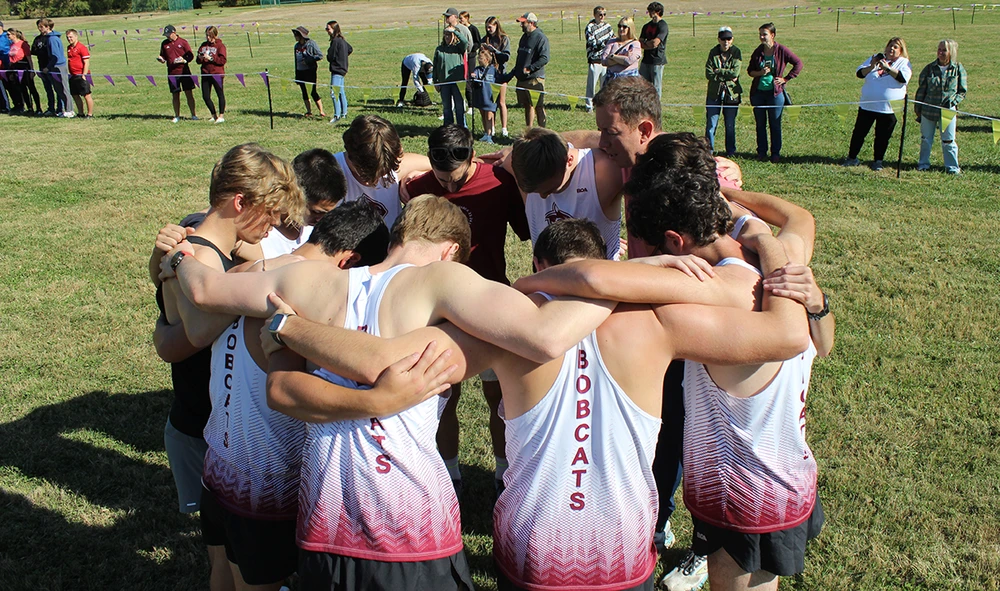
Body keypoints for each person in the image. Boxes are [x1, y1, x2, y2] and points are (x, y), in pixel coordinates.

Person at [259, 220, 810, 591]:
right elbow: (788, 335)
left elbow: (383, 360)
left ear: (541, 261)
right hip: (621, 546)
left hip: (532, 544)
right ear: (609, 258)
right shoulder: (660, 320)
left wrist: (290, 327)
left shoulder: (501, 329)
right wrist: (771, 249)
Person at [159, 194, 623, 591]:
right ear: (451, 251)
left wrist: (178, 254)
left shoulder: (307, 281)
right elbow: (544, 337)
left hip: (325, 525)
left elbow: (204, 291)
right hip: (411, 530)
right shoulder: (444, 281)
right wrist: (619, 280)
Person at [153, 143, 305, 591]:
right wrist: (286, 268)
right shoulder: (198, 261)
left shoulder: (203, 250)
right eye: (271, 212)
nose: (276, 223)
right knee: (239, 568)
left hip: (211, 429)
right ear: (240, 202)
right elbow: (195, 331)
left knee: (222, 562)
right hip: (211, 430)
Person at [404, 125, 531, 499]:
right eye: (442, 178)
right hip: (439, 310)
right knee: (443, 398)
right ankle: (449, 475)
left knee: (501, 399)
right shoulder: (416, 189)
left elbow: (528, 229)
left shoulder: (498, 182)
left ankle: (504, 474)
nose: (449, 186)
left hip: (490, 303)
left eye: (456, 178)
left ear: (472, 159)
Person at [509, 127, 624, 260]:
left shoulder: (605, 171)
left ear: (568, 161)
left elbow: (630, 146)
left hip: (597, 277)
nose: (543, 197)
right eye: (535, 192)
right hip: (545, 276)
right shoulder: (518, 162)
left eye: (549, 189)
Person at [334, 114, 431, 230]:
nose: (375, 182)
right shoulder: (330, 171)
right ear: (352, 158)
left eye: (383, 173)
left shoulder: (396, 166)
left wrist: (415, 175)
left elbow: (443, 167)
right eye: (367, 175)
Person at [843, 37, 911, 171]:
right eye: (890, 46)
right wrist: (872, 66)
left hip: (888, 109)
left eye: (895, 47)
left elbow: (903, 78)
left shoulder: (904, 63)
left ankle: (878, 161)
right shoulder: (874, 58)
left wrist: (887, 68)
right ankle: (852, 158)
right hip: (868, 105)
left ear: (901, 51)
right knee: (859, 133)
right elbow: (859, 74)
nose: (891, 49)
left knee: (882, 136)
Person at [747, 23, 802, 163]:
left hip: (775, 95)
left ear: (772, 35)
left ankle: (775, 153)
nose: (761, 37)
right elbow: (750, 71)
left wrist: (786, 79)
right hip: (758, 94)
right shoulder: (758, 52)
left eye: (764, 34)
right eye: (760, 34)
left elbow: (798, 63)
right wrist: (760, 72)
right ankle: (761, 152)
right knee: (760, 124)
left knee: (775, 124)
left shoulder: (781, 50)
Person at [914, 39, 966, 174]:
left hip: (948, 111)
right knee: (926, 139)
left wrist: (953, 101)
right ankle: (923, 164)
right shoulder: (929, 68)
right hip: (928, 110)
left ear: (951, 52)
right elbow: (921, 90)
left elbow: (962, 91)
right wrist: (918, 109)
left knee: (949, 140)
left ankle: (952, 167)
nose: (941, 52)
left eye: (944, 50)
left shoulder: (958, 69)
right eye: (939, 49)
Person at [505, 12, 550, 128]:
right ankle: (529, 130)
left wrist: (530, 68)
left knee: (537, 106)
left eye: (523, 23)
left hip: (534, 79)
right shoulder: (524, 37)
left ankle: (542, 132)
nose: (521, 25)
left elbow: (544, 58)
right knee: (527, 105)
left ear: (531, 23)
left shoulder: (541, 38)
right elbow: (521, 57)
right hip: (522, 78)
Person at [705, 26, 742, 157]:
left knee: (730, 124)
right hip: (714, 93)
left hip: (731, 93)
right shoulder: (713, 52)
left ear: (732, 39)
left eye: (728, 38)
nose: (726, 42)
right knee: (711, 124)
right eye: (723, 39)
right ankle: (709, 152)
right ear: (719, 39)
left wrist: (719, 71)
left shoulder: (736, 52)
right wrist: (727, 75)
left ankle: (731, 151)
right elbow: (708, 73)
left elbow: (735, 72)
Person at [158, 25, 198, 123]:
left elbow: (190, 55)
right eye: (166, 35)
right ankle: (177, 116)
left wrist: (184, 60)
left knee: (189, 93)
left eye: (169, 34)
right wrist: (162, 59)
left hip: (184, 72)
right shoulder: (164, 44)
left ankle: (193, 114)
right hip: (172, 73)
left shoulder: (183, 42)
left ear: (174, 32)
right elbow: (164, 56)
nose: (167, 37)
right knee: (175, 95)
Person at [36, 18, 73, 118]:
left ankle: (70, 110)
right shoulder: (49, 38)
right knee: (58, 89)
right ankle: (62, 110)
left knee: (64, 89)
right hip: (54, 67)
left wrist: (48, 67)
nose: (39, 29)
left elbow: (55, 56)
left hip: (59, 66)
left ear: (48, 27)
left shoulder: (52, 39)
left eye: (41, 27)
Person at [434, 27, 469, 128]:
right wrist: (435, 81)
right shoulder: (439, 49)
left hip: (457, 82)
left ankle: (462, 127)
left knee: (459, 106)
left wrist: (454, 31)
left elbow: (465, 42)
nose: (447, 37)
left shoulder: (459, 48)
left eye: (449, 35)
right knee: (446, 107)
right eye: (445, 35)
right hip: (444, 82)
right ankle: (448, 127)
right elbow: (435, 66)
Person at [482, 16, 511, 136]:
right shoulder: (485, 39)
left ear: (496, 26)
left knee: (501, 101)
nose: (488, 29)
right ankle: (491, 128)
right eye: (487, 27)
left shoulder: (504, 39)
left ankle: (504, 129)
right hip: (489, 74)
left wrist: (494, 51)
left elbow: (506, 56)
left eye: (490, 27)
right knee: (490, 102)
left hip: (501, 73)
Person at [584, 6, 614, 112]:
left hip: (605, 60)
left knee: (604, 86)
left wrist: (607, 45)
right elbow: (593, 44)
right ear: (595, 15)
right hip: (594, 60)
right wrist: (606, 43)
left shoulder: (608, 26)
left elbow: (613, 40)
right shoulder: (590, 27)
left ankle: (601, 106)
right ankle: (589, 106)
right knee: (591, 85)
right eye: (600, 14)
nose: (602, 17)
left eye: (604, 14)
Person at [292, 26, 326, 119]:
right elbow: (296, 61)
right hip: (300, 71)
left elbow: (320, 55)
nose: (295, 36)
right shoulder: (296, 46)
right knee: (304, 92)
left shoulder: (311, 44)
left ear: (301, 35)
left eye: (296, 35)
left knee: (313, 91)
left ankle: (321, 111)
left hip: (310, 71)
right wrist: (296, 74)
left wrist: (308, 60)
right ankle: (309, 111)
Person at [195, 26, 227, 124]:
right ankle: (213, 115)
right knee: (205, 96)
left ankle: (221, 116)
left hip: (217, 73)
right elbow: (197, 61)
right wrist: (200, 57)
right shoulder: (203, 45)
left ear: (215, 35)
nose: (208, 38)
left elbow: (222, 60)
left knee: (220, 94)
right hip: (205, 73)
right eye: (207, 36)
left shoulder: (220, 46)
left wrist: (211, 59)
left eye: (210, 36)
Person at [638, 2, 668, 100]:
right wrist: (648, 44)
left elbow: (655, 43)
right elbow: (640, 43)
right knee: (641, 86)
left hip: (657, 61)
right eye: (649, 11)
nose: (650, 13)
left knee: (656, 87)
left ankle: (656, 108)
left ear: (658, 12)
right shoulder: (646, 26)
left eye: (652, 11)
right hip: (645, 60)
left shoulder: (663, 26)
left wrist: (647, 43)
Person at [7, 29, 41, 115]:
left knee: (31, 88)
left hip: (24, 67)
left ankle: (38, 108)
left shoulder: (23, 44)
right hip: (15, 68)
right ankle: (29, 107)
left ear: (14, 35)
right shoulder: (11, 45)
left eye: (9, 34)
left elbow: (29, 58)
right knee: (23, 89)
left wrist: (31, 70)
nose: (8, 36)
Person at [325, 21, 352, 123]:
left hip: (337, 70)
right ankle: (344, 114)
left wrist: (338, 58)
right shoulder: (342, 40)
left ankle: (337, 116)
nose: (327, 31)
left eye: (328, 29)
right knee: (340, 92)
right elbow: (350, 49)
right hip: (343, 69)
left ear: (334, 29)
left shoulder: (335, 41)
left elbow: (330, 56)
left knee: (334, 93)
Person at [470, 46, 499, 142]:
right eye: (478, 58)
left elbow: (499, 79)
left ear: (487, 59)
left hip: (489, 97)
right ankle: (486, 133)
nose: (479, 60)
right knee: (483, 114)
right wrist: (473, 76)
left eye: (481, 58)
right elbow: (475, 75)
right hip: (480, 96)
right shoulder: (477, 69)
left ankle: (490, 135)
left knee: (489, 115)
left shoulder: (493, 70)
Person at [64, 29, 93, 118]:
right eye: (67, 37)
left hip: (82, 75)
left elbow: (86, 62)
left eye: (71, 37)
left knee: (86, 95)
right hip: (73, 75)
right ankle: (80, 113)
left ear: (76, 36)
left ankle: (90, 114)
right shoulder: (69, 48)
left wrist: (84, 75)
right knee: (75, 95)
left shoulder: (82, 48)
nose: (69, 39)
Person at [602, 17, 641, 82]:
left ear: (630, 28)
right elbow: (604, 61)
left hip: (629, 80)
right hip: (611, 80)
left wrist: (613, 56)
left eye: (624, 27)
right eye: (619, 26)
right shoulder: (611, 41)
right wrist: (623, 57)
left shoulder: (635, 44)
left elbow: (629, 61)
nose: (621, 29)